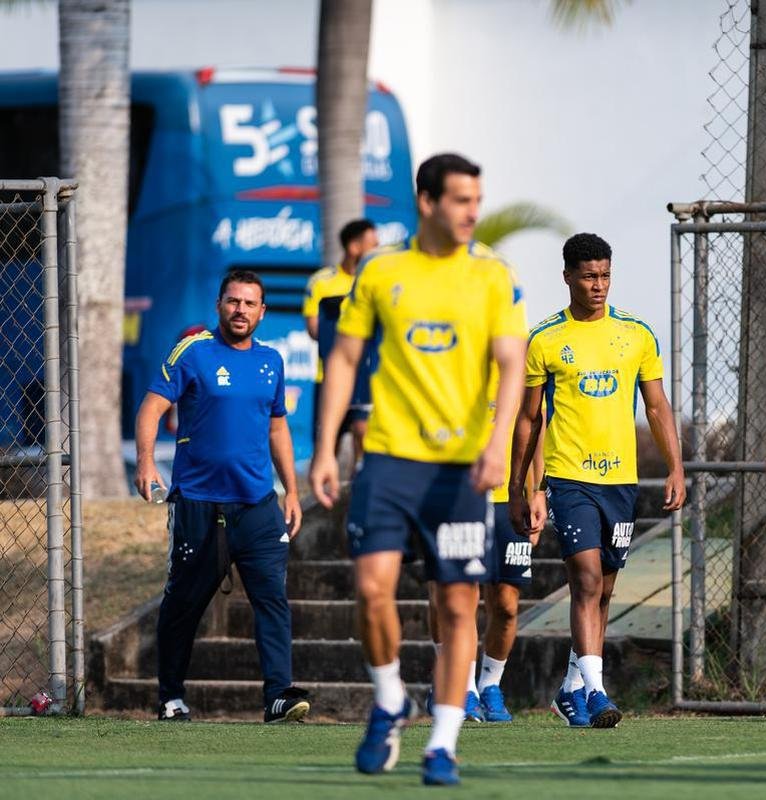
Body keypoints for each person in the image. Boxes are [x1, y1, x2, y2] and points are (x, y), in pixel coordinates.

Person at [310, 153, 526, 786]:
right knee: (373, 588)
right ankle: (388, 700)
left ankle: (443, 743)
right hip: (388, 459)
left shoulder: (493, 276)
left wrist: (497, 443)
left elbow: (511, 363)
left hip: (460, 473)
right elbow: (345, 359)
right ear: (427, 201)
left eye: (477, 201)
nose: (472, 213)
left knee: (459, 605)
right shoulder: (381, 269)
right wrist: (325, 448)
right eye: (461, 200)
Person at [509, 232, 686, 729]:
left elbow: (656, 404)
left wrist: (676, 467)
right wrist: (521, 486)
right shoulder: (546, 338)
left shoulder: (636, 335)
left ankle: (571, 689)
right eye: (589, 276)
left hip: (620, 484)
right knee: (584, 580)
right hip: (568, 480)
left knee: (604, 590)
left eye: (605, 275)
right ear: (567, 276)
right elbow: (529, 419)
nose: (599, 285)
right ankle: (597, 692)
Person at [134, 270, 307, 724]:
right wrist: (147, 462)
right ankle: (171, 697)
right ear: (219, 305)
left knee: (272, 599)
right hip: (197, 504)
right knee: (183, 605)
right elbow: (152, 406)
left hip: (257, 507)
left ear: (262, 312)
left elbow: (277, 428)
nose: (240, 311)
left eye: (250, 304)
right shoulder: (193, 352)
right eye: (233, 302)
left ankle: (278, 696)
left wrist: (292, 489)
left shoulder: (271, 361)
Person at [426, 372, 546, 724]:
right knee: (457, 598)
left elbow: (535, 433)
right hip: (457, 500)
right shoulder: (449, 358)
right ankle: (458, 684)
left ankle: (490, 684)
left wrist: (537, 493)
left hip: (509, 502)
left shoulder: (522, 368)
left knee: (507, 605)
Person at [303, 219, 380, 475]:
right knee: (327, 446)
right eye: (373, 244)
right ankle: (321, 506)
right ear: (354, 246)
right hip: (329, 378)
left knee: (363, 433)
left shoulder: (375, 282)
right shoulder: (322, 282)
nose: (378, 249)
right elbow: (315, 330)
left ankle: (358, 500)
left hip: (367, 378)